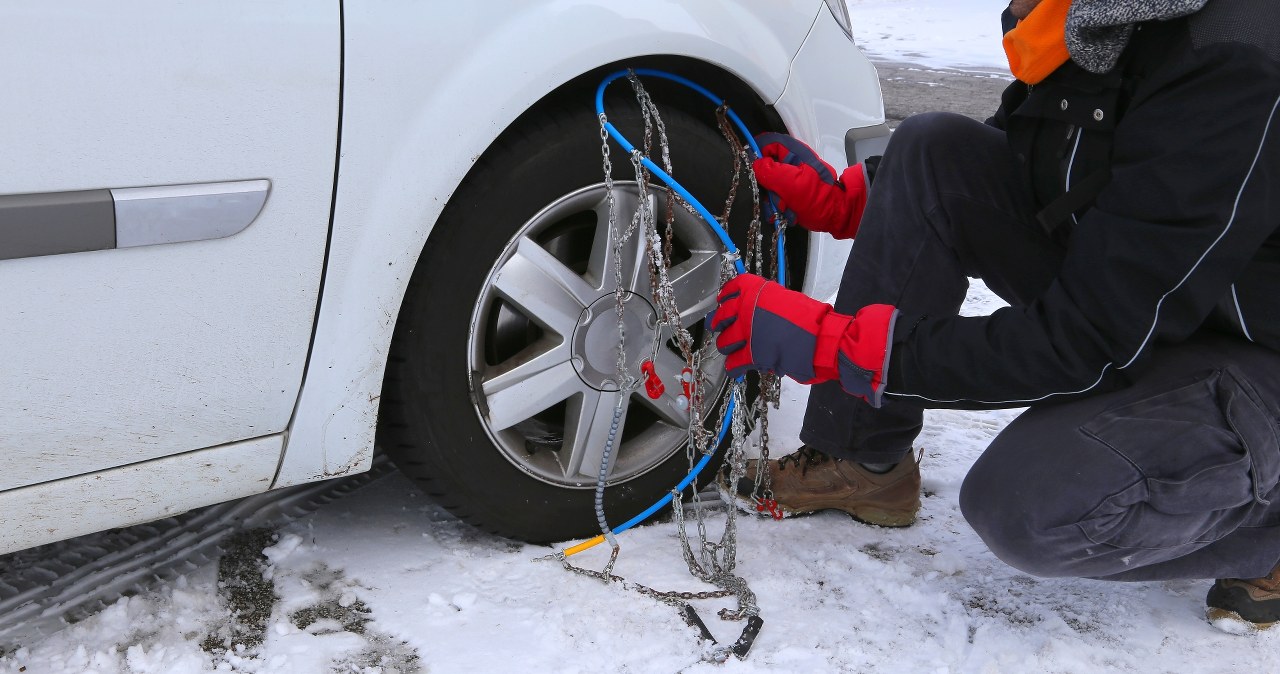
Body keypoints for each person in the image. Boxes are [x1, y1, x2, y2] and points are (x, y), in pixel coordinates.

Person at [711, 0, 1280, 632]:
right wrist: (860, 199)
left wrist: (847, 348)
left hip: (1252, 350)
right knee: (929, 150)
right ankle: (862, 460)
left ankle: (1269, 529)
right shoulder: (1105, 15)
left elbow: (1084, 341)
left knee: (1032, 507)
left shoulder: (1237, 58)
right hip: (1162, 294)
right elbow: (1028, 149)